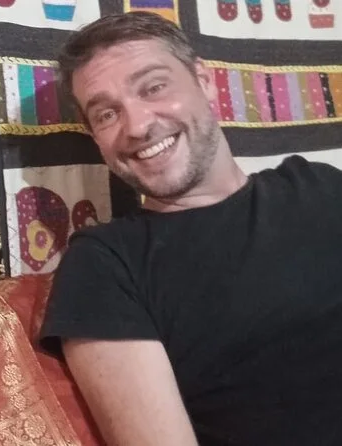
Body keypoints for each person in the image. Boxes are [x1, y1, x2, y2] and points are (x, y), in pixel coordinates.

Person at [39, 11, 342, 446]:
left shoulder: (317, 184)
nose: (138, 126)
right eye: (106, 114)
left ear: (204, 81)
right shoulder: (105, 263)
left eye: (153, 87)